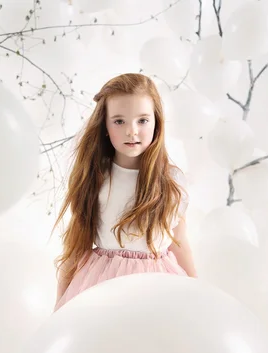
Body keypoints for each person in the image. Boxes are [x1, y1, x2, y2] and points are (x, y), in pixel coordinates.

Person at [52, 73, 197, 311]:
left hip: (159, 286)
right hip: (102, 284)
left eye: (142, 120)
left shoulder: (172, 180)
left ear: (156, 123)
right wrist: (59, 307)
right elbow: (76, 247)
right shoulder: (97, 177)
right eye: (119, 121)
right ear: (105, 126)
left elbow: (179, 241)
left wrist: (198, 292)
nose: (132, 131)